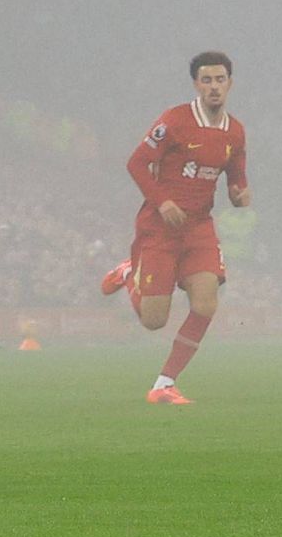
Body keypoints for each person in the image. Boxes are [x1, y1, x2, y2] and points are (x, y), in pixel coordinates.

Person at [100, 50, 247, 404]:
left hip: (199, 229)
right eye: (207, 80)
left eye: (220, 80)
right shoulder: (176, 121)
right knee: (154, 321)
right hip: (160, 228)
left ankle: (164, 383)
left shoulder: (236, 132)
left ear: (230, 83)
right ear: (196, 84)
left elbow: (236, 177)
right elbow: (137, 163)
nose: (214, 87)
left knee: (206, 304)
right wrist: (163, 201)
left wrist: (239, 193)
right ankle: (128, 272)